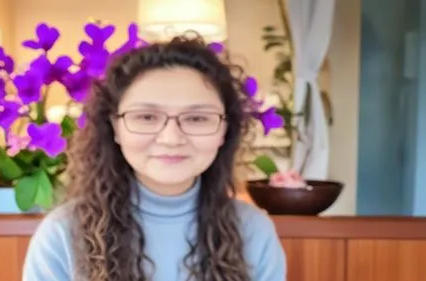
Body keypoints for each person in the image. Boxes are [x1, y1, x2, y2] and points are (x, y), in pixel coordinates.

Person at [22, 34, 287, 281]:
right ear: (114, 127)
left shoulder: (254, 232)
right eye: (147, 117)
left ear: (224, 131)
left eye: (197, 118)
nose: (171, 138)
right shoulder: (62, 235)